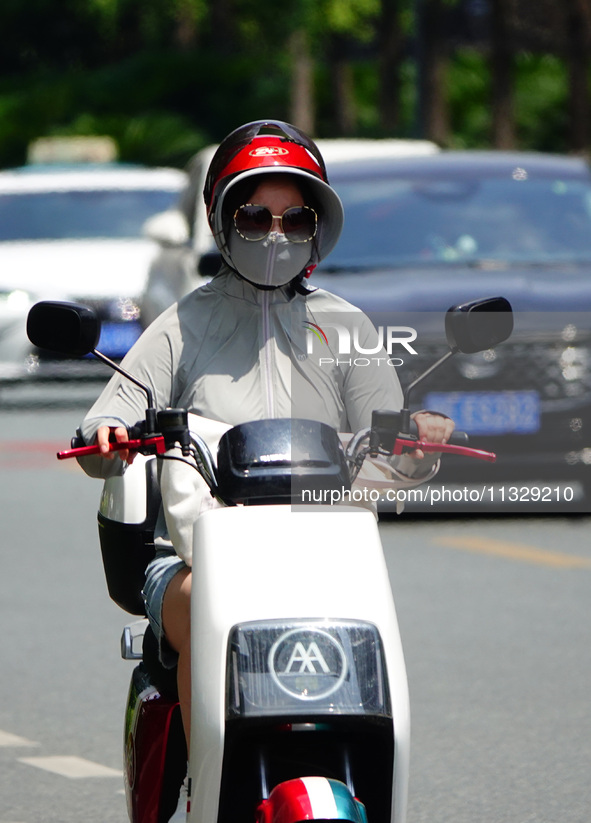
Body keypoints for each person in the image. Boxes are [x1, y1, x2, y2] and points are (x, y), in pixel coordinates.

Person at [78, 120, 454, 822]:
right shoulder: (177, 327)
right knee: (196, 597)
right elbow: (107, 427)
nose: (275, 232)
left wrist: (417, 447)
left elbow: (390, 453)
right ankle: (205, 792)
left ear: (318, 227)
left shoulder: (347, 326)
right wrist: (109, 439)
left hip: (319, 555)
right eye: (255, 215)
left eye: (294, 217)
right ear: (222, 222)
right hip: (192, 556)